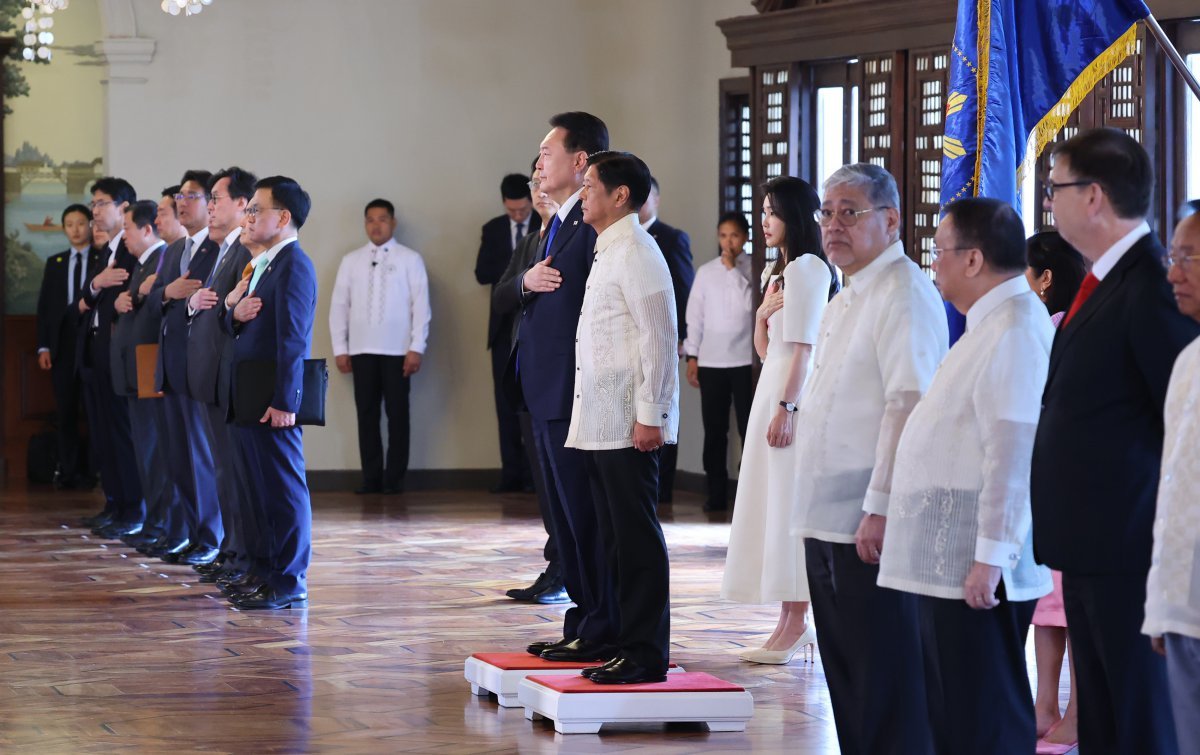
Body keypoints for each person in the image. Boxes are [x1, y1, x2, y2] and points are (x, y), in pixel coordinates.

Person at [1031, 128, 1199, 755]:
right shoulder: (1103, 279)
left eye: (1057, 189)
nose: (1051, 202)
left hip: (1128, 547)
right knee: (1102, 723)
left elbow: (1180, 421)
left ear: (1094, 195)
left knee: (1138, 723)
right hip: (1090, 546)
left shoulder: (1150, 286)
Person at [878, 198, 1053, 755]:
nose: (935, 265)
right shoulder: (989, 323)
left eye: (940, 252)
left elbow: (1012, 449)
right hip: (953, 552)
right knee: (954, 709)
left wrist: (990, 557)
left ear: (973, 259)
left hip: (978, 562)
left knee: (983, 711)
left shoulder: (1016, 327)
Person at [793, 163, 947, 755]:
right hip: (828, 514)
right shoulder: (847, 293)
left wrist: (882, 507)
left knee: (885, 674)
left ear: (891, 219)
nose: (833, 225)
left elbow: (907, 406)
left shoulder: (904, 293)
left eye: (848, 212)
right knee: (849, 674)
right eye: (826, 212)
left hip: (869, 518)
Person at [566, 150, 678, 684]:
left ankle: (646, 652)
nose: (582, 194)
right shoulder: (606, 249)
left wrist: (652, 414)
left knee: (635, 539)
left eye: (590, 186)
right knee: (612, 537)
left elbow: (659, 336)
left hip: (630, 424)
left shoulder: (637, 249)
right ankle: (616, 638)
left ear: (621, 196)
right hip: (601, 419)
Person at [517, 112, 619, 664]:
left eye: (547, 151)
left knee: (584, 517)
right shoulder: (558, 220)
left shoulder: (591, 222)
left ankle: (601, 625)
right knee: (565, 520)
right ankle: (582, 620)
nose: (538, 162)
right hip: (544, 389)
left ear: (582, 161)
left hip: (572, 390)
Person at [720, 177, 832, 664]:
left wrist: (788, 409)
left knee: (790, 508)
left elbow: (805, 351)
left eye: (772, 211)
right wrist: (763, 317)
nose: (764, 220)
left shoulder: (809, 268)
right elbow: (767, 352)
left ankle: (798, 621)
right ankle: (787, 621)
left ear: (796, 216)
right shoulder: (778, 270)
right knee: (772, 506)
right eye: (762, 211)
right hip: (773, 387)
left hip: (793, 397)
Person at [223, 176, 318, 610]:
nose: (247, 217)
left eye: (255, 209)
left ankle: (288, 579)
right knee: (255, 490)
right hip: (248, 395)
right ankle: (261, 571)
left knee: (282, 490)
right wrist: (231, 311)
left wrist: (286, 401)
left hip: (271, 400)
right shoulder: (261, 264)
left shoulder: (294, 264)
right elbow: (241, 327)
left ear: (283, 217)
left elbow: (294, 339)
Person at [1023, 230, 1087, 753]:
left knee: (1074, 603)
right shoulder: (1036, 326)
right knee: (1048, 603)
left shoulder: (1066, 328)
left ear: (1045, 279)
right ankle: (1044, 703)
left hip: (1073, 482)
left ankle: (1076, 711)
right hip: (1039, 479)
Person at [493, 165, 568, 605]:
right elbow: (501, 296)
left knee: (562, 483)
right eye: (534, 186)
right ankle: (555, 563)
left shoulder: (570, 238)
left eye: (545, 184)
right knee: (544, 481)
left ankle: (565, 568)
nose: (540, 191)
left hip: (557, 375)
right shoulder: (528, 243)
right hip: (527, 372)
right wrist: (525, 281)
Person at [1144, 211, 1200, 755]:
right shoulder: (1188, 360)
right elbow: (1176, 487)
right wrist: (1162, 602)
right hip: (1185, 605)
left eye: (1188, 259)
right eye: (1173, 257)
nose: (1174, 273)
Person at [329, 199, 431, 495]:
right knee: (367, 415)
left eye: (382, 219)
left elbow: (421, 306)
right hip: (361, 350)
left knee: (399, 415)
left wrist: (417, 347)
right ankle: (371, 478)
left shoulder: (410, 259)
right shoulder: (351, 261)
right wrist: (340, 348)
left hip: (399, 351)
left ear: (393, 223)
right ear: (365, 224)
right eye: (370, 220)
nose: (376, 225)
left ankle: (394, 480)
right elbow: (339, 306)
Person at [187, 167, 257, 584]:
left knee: (233, 474)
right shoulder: (224, 250)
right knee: (223, 472)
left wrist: (208, 306)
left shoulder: (244, 252)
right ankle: (231, 550)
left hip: (229, 378)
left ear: (242, 205)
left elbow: (233, 317)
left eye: (216, 198)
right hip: (213, 377)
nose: (209, 207)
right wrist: (194, 303)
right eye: (209, 199)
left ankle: (240, 555)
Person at [152, 171, 222, 566]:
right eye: (180, 194)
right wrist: (167, 292)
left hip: (198, 366)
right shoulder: (180, 249)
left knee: (200, 458)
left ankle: (212, 537)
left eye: (193, 195)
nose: (183, 201)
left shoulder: (214, 248)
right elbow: (163, 299)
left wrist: (173, 295)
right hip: (173, 364)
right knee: (180, 458)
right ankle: (197, 535)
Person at [78, 177, 142, 537]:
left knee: (122, 435)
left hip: (121, 356)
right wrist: (98, 285)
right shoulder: (106, 251)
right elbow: (86, 299)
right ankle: (115, 504)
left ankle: (133, 510)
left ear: (123, 208)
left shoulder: (133, 251)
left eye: (101, 203)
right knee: (104, 435)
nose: (95, 211)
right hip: (98, 353)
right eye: (93, 204)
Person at [684, 211, 754, 512]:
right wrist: (693, 355)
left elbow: (754, 305)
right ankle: (715, 493)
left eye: (735, 235)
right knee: (714, 431)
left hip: (745, 362)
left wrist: (734, 271)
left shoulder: (754, 268)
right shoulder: (706, 272)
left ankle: (749, 495)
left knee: (748, 429)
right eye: (724, 235)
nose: (729, 241)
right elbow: (694, 317)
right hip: (712, 361)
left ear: (746, 238)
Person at [475, 173, 541, 494]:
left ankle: (533, 476)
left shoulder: (544, 226)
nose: (518, 216)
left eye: (522, 210)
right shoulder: (493, 229)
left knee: (531, 404)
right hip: (502, 328)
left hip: (533, 325)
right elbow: (482, 273)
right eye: (512, 211)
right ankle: (510, 473)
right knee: (505, 405)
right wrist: (516, 267)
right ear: (504, 203)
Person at [109, 200, 169, 545]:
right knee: (144, 451)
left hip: (149, 366)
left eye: (128, 228)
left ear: (147, 230)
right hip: (134, 369)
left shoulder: (162, 258)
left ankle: (160, 524)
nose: (124, 235)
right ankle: (154, 523)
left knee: (155, 453)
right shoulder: (142, 263)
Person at [36, 204, 100, 490]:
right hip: (62, 348)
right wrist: (43, 347)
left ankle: (95, 472)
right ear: (63, 229)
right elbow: (45, 309)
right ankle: (70, 471)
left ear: (90, 225)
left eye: (80, 223)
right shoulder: (55, 262)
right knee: (65, 412)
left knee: (96, 411)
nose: (75, 229)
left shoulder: (103, 258)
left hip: (93, 344)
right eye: (69, 224)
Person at [638, 177, 694, 503]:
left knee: (662, 409)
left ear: (657, 200)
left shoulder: (672, 238)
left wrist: (681, 336)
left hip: (664, 337)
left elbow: (683, 288)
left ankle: (664, 490)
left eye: (647, 198)